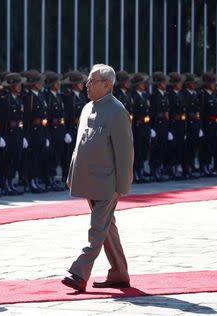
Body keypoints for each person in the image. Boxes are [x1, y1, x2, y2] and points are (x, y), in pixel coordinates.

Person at [62, 64, 134, 292]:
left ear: (107, 85)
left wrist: (122, 186)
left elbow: (125, 152)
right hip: (89, 179)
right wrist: (72, 173)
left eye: (92, 81)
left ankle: (79, 273)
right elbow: (78, 147)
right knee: (107, 228)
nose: (87, 85)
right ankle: (119, 274)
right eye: (88, 80)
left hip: (108, 182)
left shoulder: (117, 111)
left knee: (97, 229)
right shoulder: (87, 108)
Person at [0, 72, 27, 195]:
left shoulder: (19, 99)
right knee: (7, 160)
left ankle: (10, 182)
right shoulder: (6, 100)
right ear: (12, 86)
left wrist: (23, 135)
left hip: (17, 134)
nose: (20, 87)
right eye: (17, 84)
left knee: (15, 158)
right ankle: (5, 184)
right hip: (8, 134)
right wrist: (1, 137)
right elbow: (2, 120)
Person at [149, 72, 170, 182]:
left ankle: (159, 169)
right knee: (156, 149)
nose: (165, 84)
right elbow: (152, 112)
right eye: (163, 82)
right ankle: (154, 170)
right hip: (157, 125)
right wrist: (151, 128)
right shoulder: (154, 96)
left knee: (162, 148)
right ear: (159, 84)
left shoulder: (164, 95)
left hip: (164, 126)